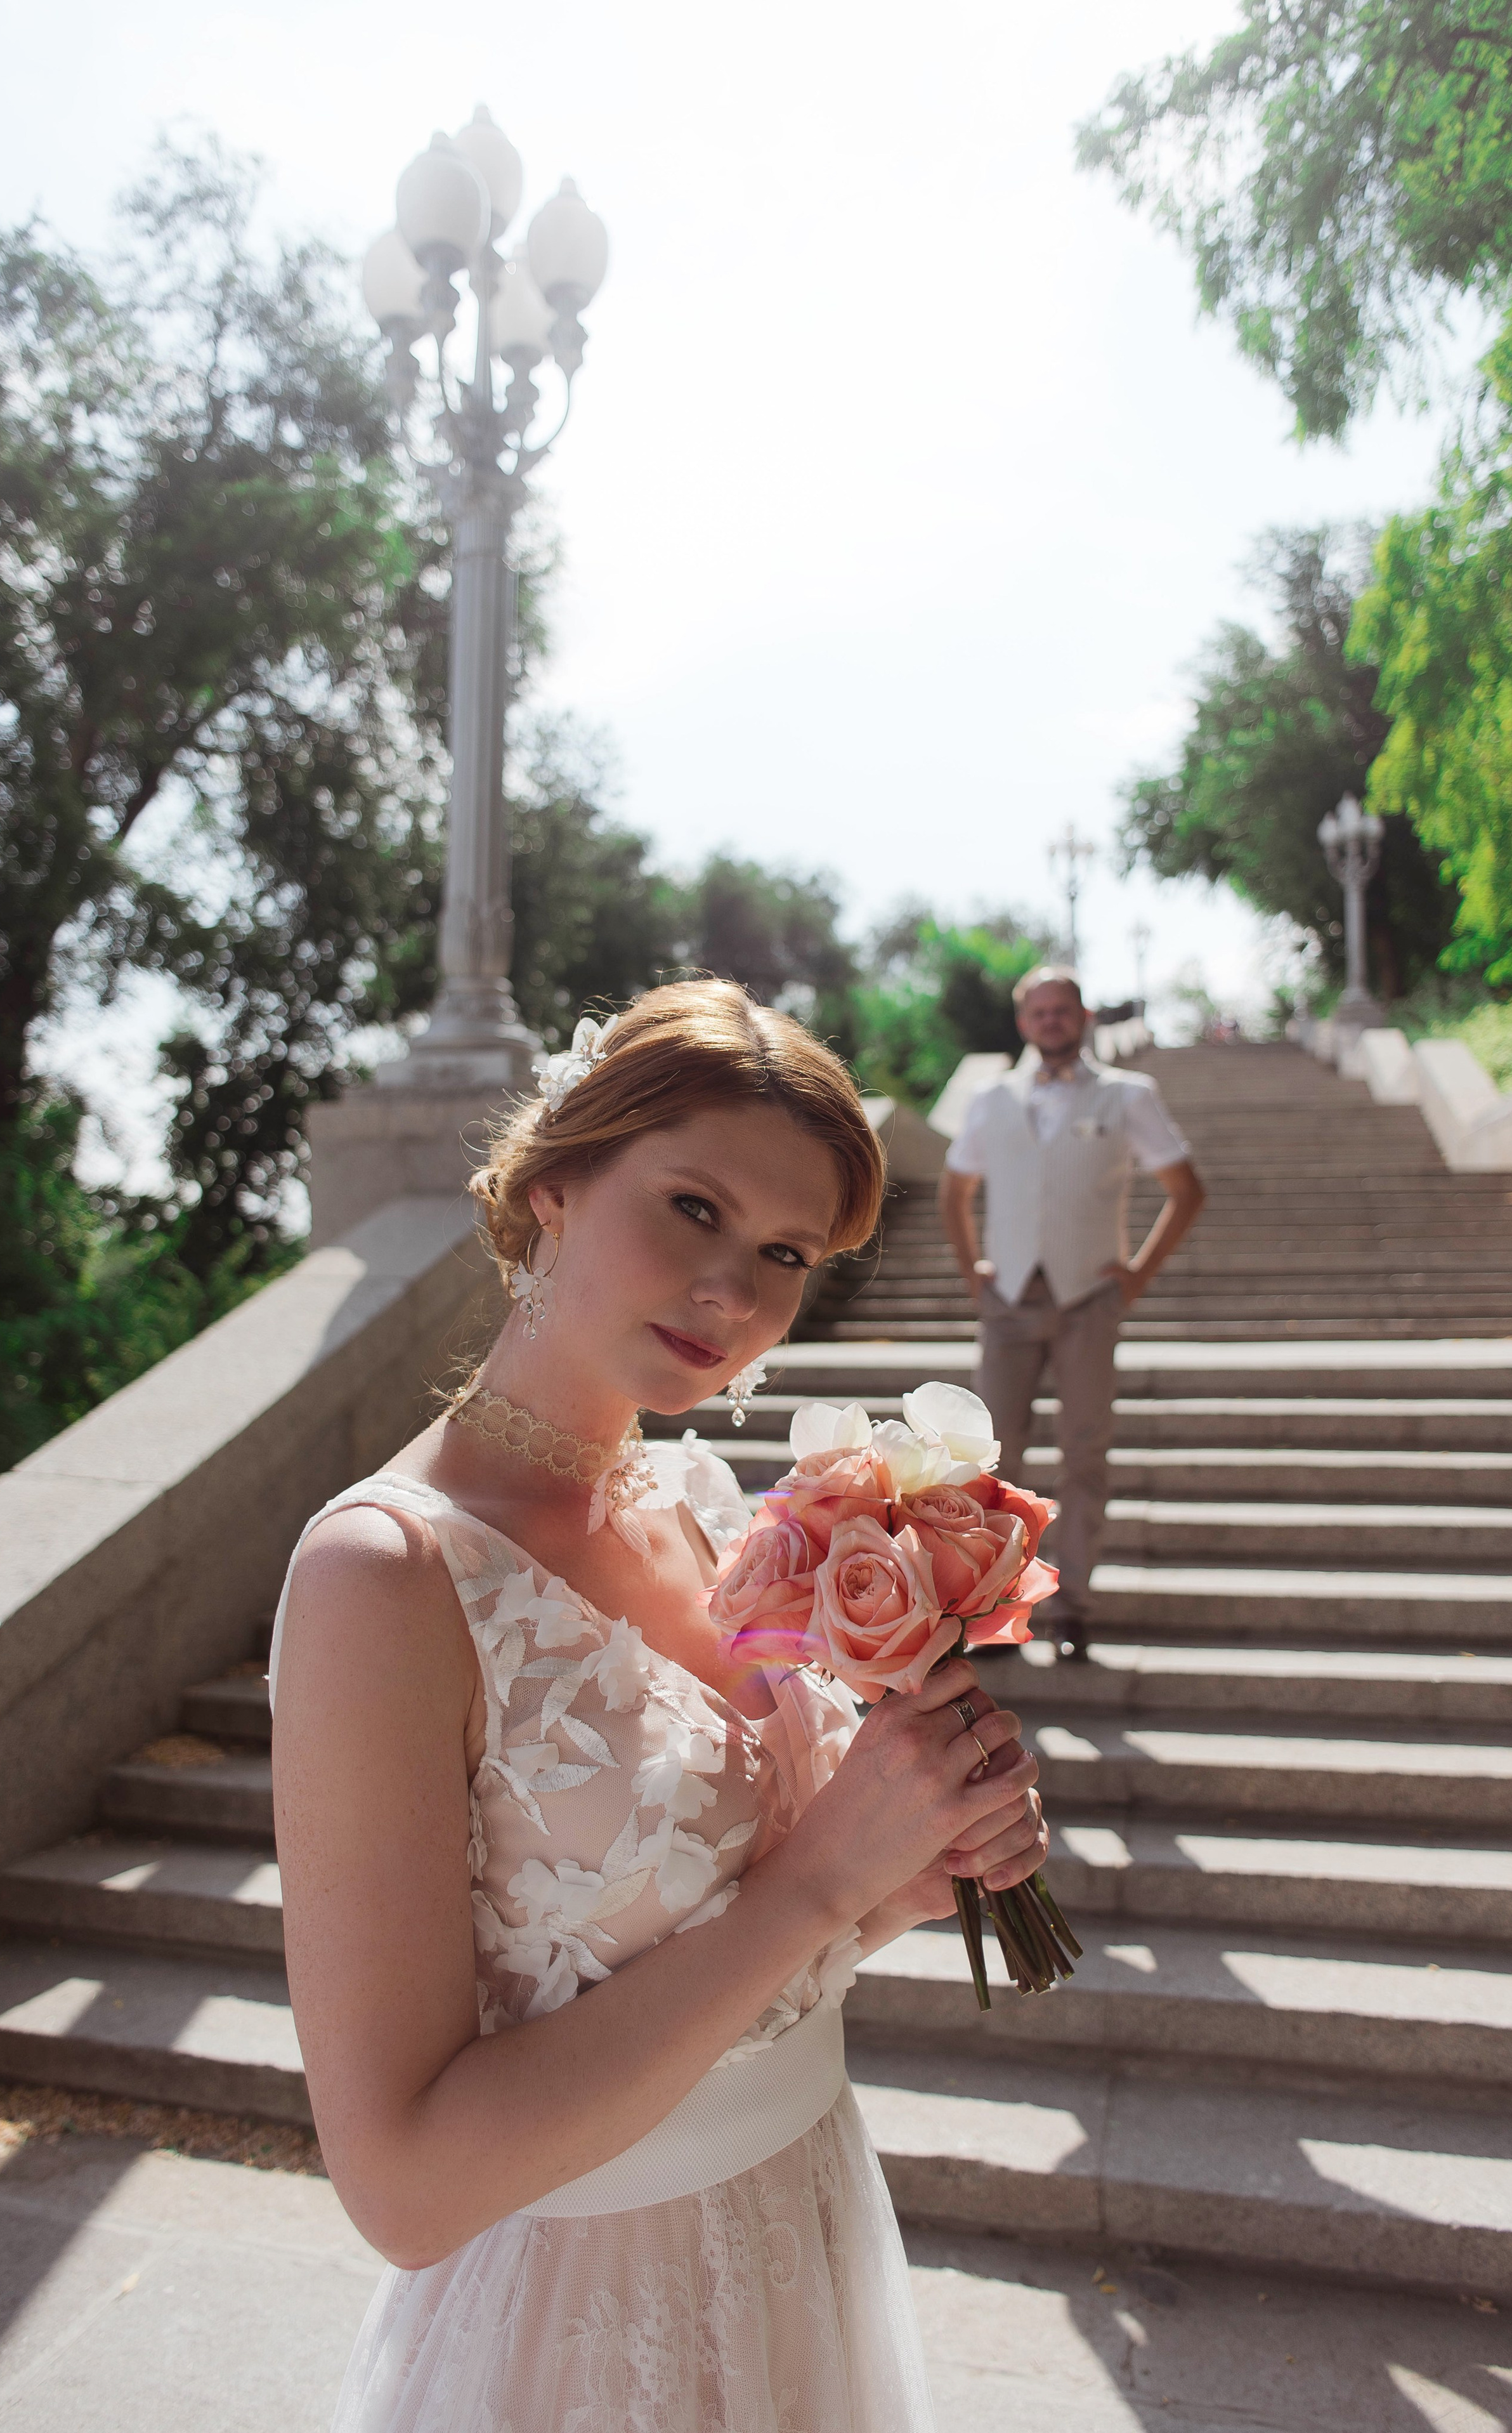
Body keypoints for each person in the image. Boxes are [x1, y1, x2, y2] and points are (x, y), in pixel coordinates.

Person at [271, 980, 1049, 2433]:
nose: (738, 1290)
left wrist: (908, 1862)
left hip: (800, 2228)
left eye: (783, 1251)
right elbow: (403, 2184)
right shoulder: (383, 1577)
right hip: (575, 2323)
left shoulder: (704, 1504)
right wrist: (821, 1878)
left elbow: (750, 1939)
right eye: (692, 1206)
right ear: (555, 1179)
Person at [937, 965, 1205, 1661]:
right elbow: (954, 1190)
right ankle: (996, 1607)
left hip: (1089, 1299)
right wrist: (975, 1274)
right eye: (1038, 1012)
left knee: (1084, 1456)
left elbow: (1185, 1188)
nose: (1051, 1021)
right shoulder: (991, 1098)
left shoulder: (1127, 1095)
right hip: (1008, 1304)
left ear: (1084, 1016)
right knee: (991, 1462)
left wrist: (1137, 1274)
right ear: (1023, 1024)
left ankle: (1074, 1608)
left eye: (1063, 1009)